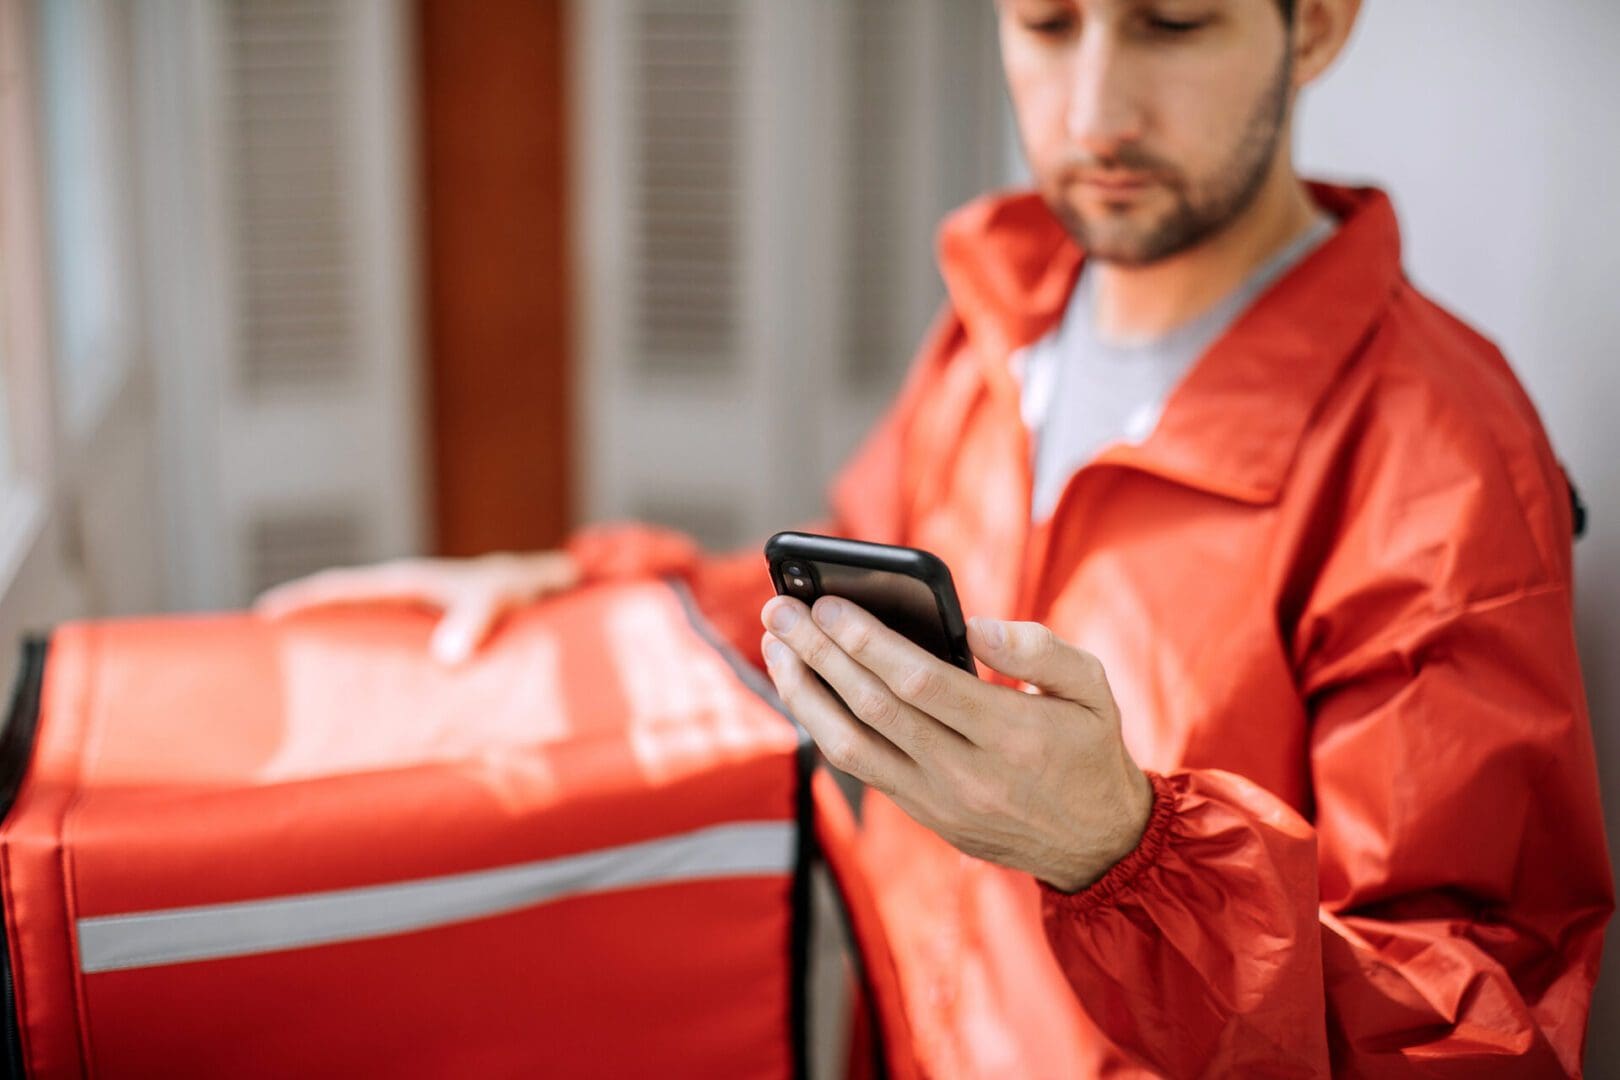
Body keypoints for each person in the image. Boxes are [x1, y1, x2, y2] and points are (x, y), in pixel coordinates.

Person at [257, 0, 1613, 1073]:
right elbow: (868, 575)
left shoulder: (1439, 467)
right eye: (1044, 22)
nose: (1093, 110)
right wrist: (587, 591)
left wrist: (1127, 849)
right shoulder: (1004, 309)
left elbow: (1471, 1037)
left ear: (1315, 21)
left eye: (1174, 23)